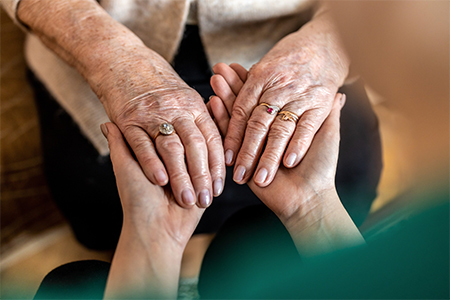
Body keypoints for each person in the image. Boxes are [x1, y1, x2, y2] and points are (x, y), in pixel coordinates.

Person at [34, 0, 448, 298]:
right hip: (103, 31)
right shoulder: (427, 258)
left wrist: (151, 243)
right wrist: (314, 208)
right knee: (98, 194)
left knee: (75, 283)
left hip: (299, 50)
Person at [1, 0, 381, 249]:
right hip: (93, 37)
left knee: (345, 188)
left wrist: (330, 45)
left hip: (305, 54)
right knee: (103, 209)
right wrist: (110, 60)